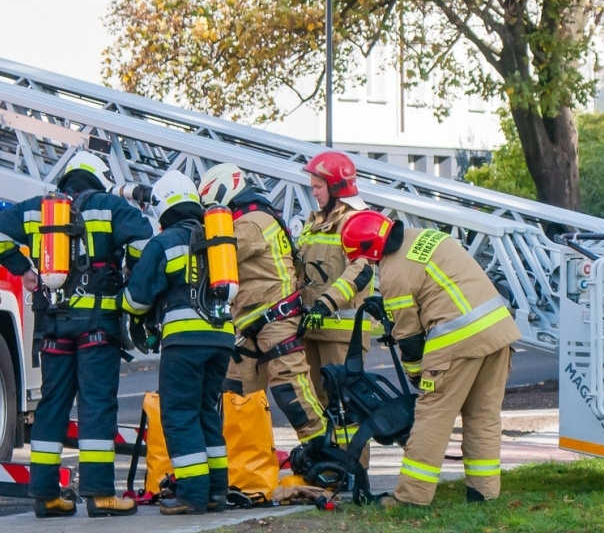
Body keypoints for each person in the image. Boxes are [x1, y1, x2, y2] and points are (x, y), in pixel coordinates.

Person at [0, 151, 151, 518]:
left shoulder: (38, 209)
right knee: (96, 405)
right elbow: (143, 240)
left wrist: (24, 269)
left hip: (53, 326)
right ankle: (100, 494)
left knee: (52, 404)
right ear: (98, 179)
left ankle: (45, 495)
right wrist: (128, 270)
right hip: (98, 328)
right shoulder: (110, 206)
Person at [339, 211, 521, 507]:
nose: (370, 265)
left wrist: (418, 377)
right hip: (497, 333)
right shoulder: (425, 237)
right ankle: (483, 495)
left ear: (369, 249)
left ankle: (411, 498)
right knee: (483, 416)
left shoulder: (393, 275)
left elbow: (409, 339)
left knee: (432, 417)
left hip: (456, 342)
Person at [121, 171, 238, 515]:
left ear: (161, 207)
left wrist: (122, 294)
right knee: (205, 413)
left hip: (185, 343)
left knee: (179, 415)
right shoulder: (217, 241)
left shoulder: (164, 242)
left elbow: (137, 300)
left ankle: (191, 494)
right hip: (221, 337)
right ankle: (216, 491)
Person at [198, 162, 327, 446]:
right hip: (248, 324)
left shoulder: (252, 222)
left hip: (275, 320)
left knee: (290, 391)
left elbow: (218, 253)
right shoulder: (250, 217)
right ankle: (247, 466)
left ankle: (325, 454)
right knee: (238, 397)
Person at [296, 151, 378, 460]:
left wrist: (326, 304)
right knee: (318, 403)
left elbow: (361, 270)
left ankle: (353, 469)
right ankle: (327, 465)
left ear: (336, 187)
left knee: (346, 404)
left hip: (343, 331)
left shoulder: (356, 220)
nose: (313, 192)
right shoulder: (313, 221)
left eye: (318, 186)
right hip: (312, 328)